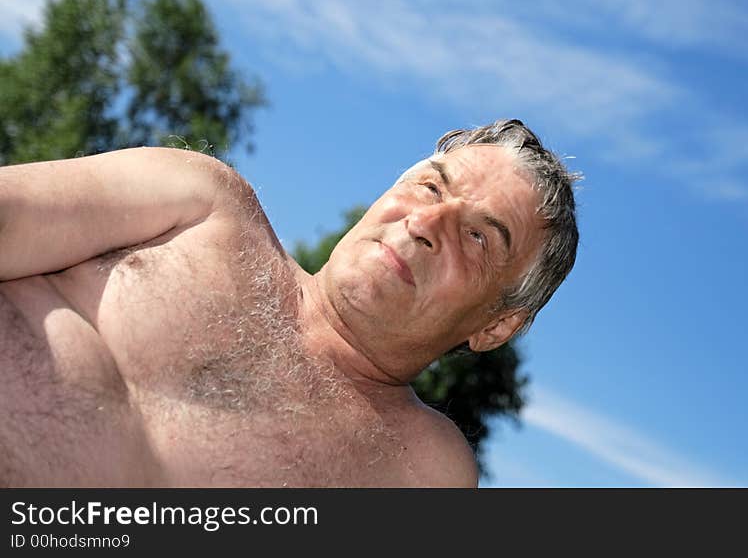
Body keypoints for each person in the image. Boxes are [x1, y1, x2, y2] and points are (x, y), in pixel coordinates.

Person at [0, 118, 579, 487]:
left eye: (478, 237)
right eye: (430, 186)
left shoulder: (423, 470)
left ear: (497, 326)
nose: (426, 222)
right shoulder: (198, 203)